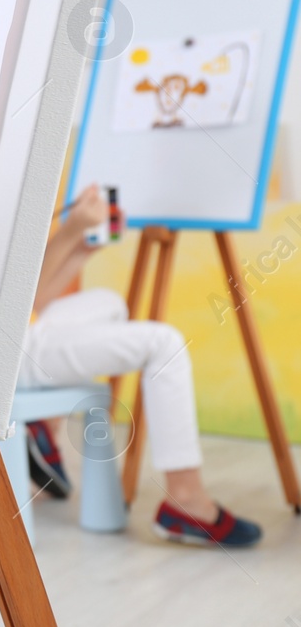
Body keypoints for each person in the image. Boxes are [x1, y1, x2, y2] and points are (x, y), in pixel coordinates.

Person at [20, 182, 261, 547]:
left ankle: (43, 418)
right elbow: (19, 308)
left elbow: (29, 302)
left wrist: (83, 248)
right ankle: (186, 500)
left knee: (110, 303)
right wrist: (71, 229)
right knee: (164, 343)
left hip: (10, 334)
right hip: (3, 352)